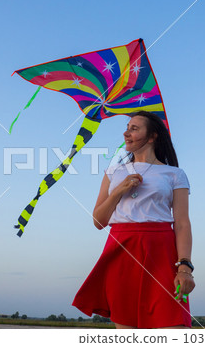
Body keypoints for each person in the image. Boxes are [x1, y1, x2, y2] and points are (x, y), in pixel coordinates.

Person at [72, 111, 195, 329]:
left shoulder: (175, 174)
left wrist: (185, 267)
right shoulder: (113, 172)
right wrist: (120, 190)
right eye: (127, 127)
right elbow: (98, 221)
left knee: (174, 325)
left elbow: (182, 223)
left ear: (152, 136)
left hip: (162, 251)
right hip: (121, 250)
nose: (126, 133)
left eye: (134, 128)